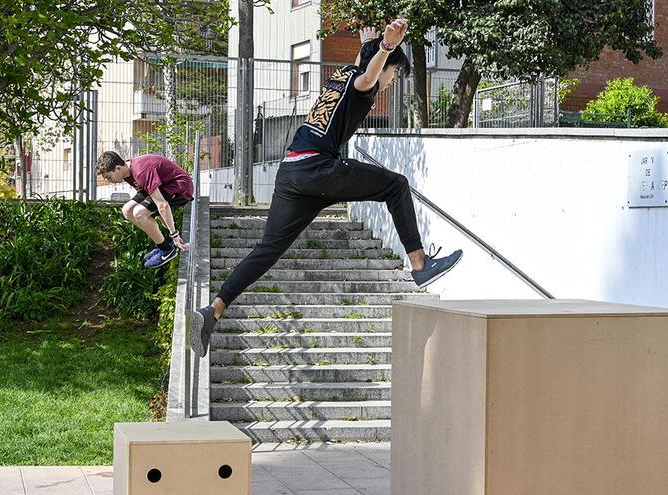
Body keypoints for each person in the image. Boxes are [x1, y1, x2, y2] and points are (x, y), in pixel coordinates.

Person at [189, 19, 463, 357]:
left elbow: (363, 66)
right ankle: (421, 266)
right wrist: (387, 47)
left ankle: (212, 311)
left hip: (291, 173)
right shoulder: (363, 85)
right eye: (394, 75)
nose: (391, 83)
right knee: (396, 186)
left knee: (268, 249)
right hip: (319, 169)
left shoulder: (340, 77)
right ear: (384, 67)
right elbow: (369, 76)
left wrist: (371, 44)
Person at [96, 152, 192, 269]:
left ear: (118, 168)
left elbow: (162, 205)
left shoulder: (141, 172)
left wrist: (174, 234)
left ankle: (166, 250)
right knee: (127, 210)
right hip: (161, 186)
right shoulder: (126, 173)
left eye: (109, 177)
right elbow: (147, 199)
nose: (109, 181)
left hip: (179, 187)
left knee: (139, 212)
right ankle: (164, 243)